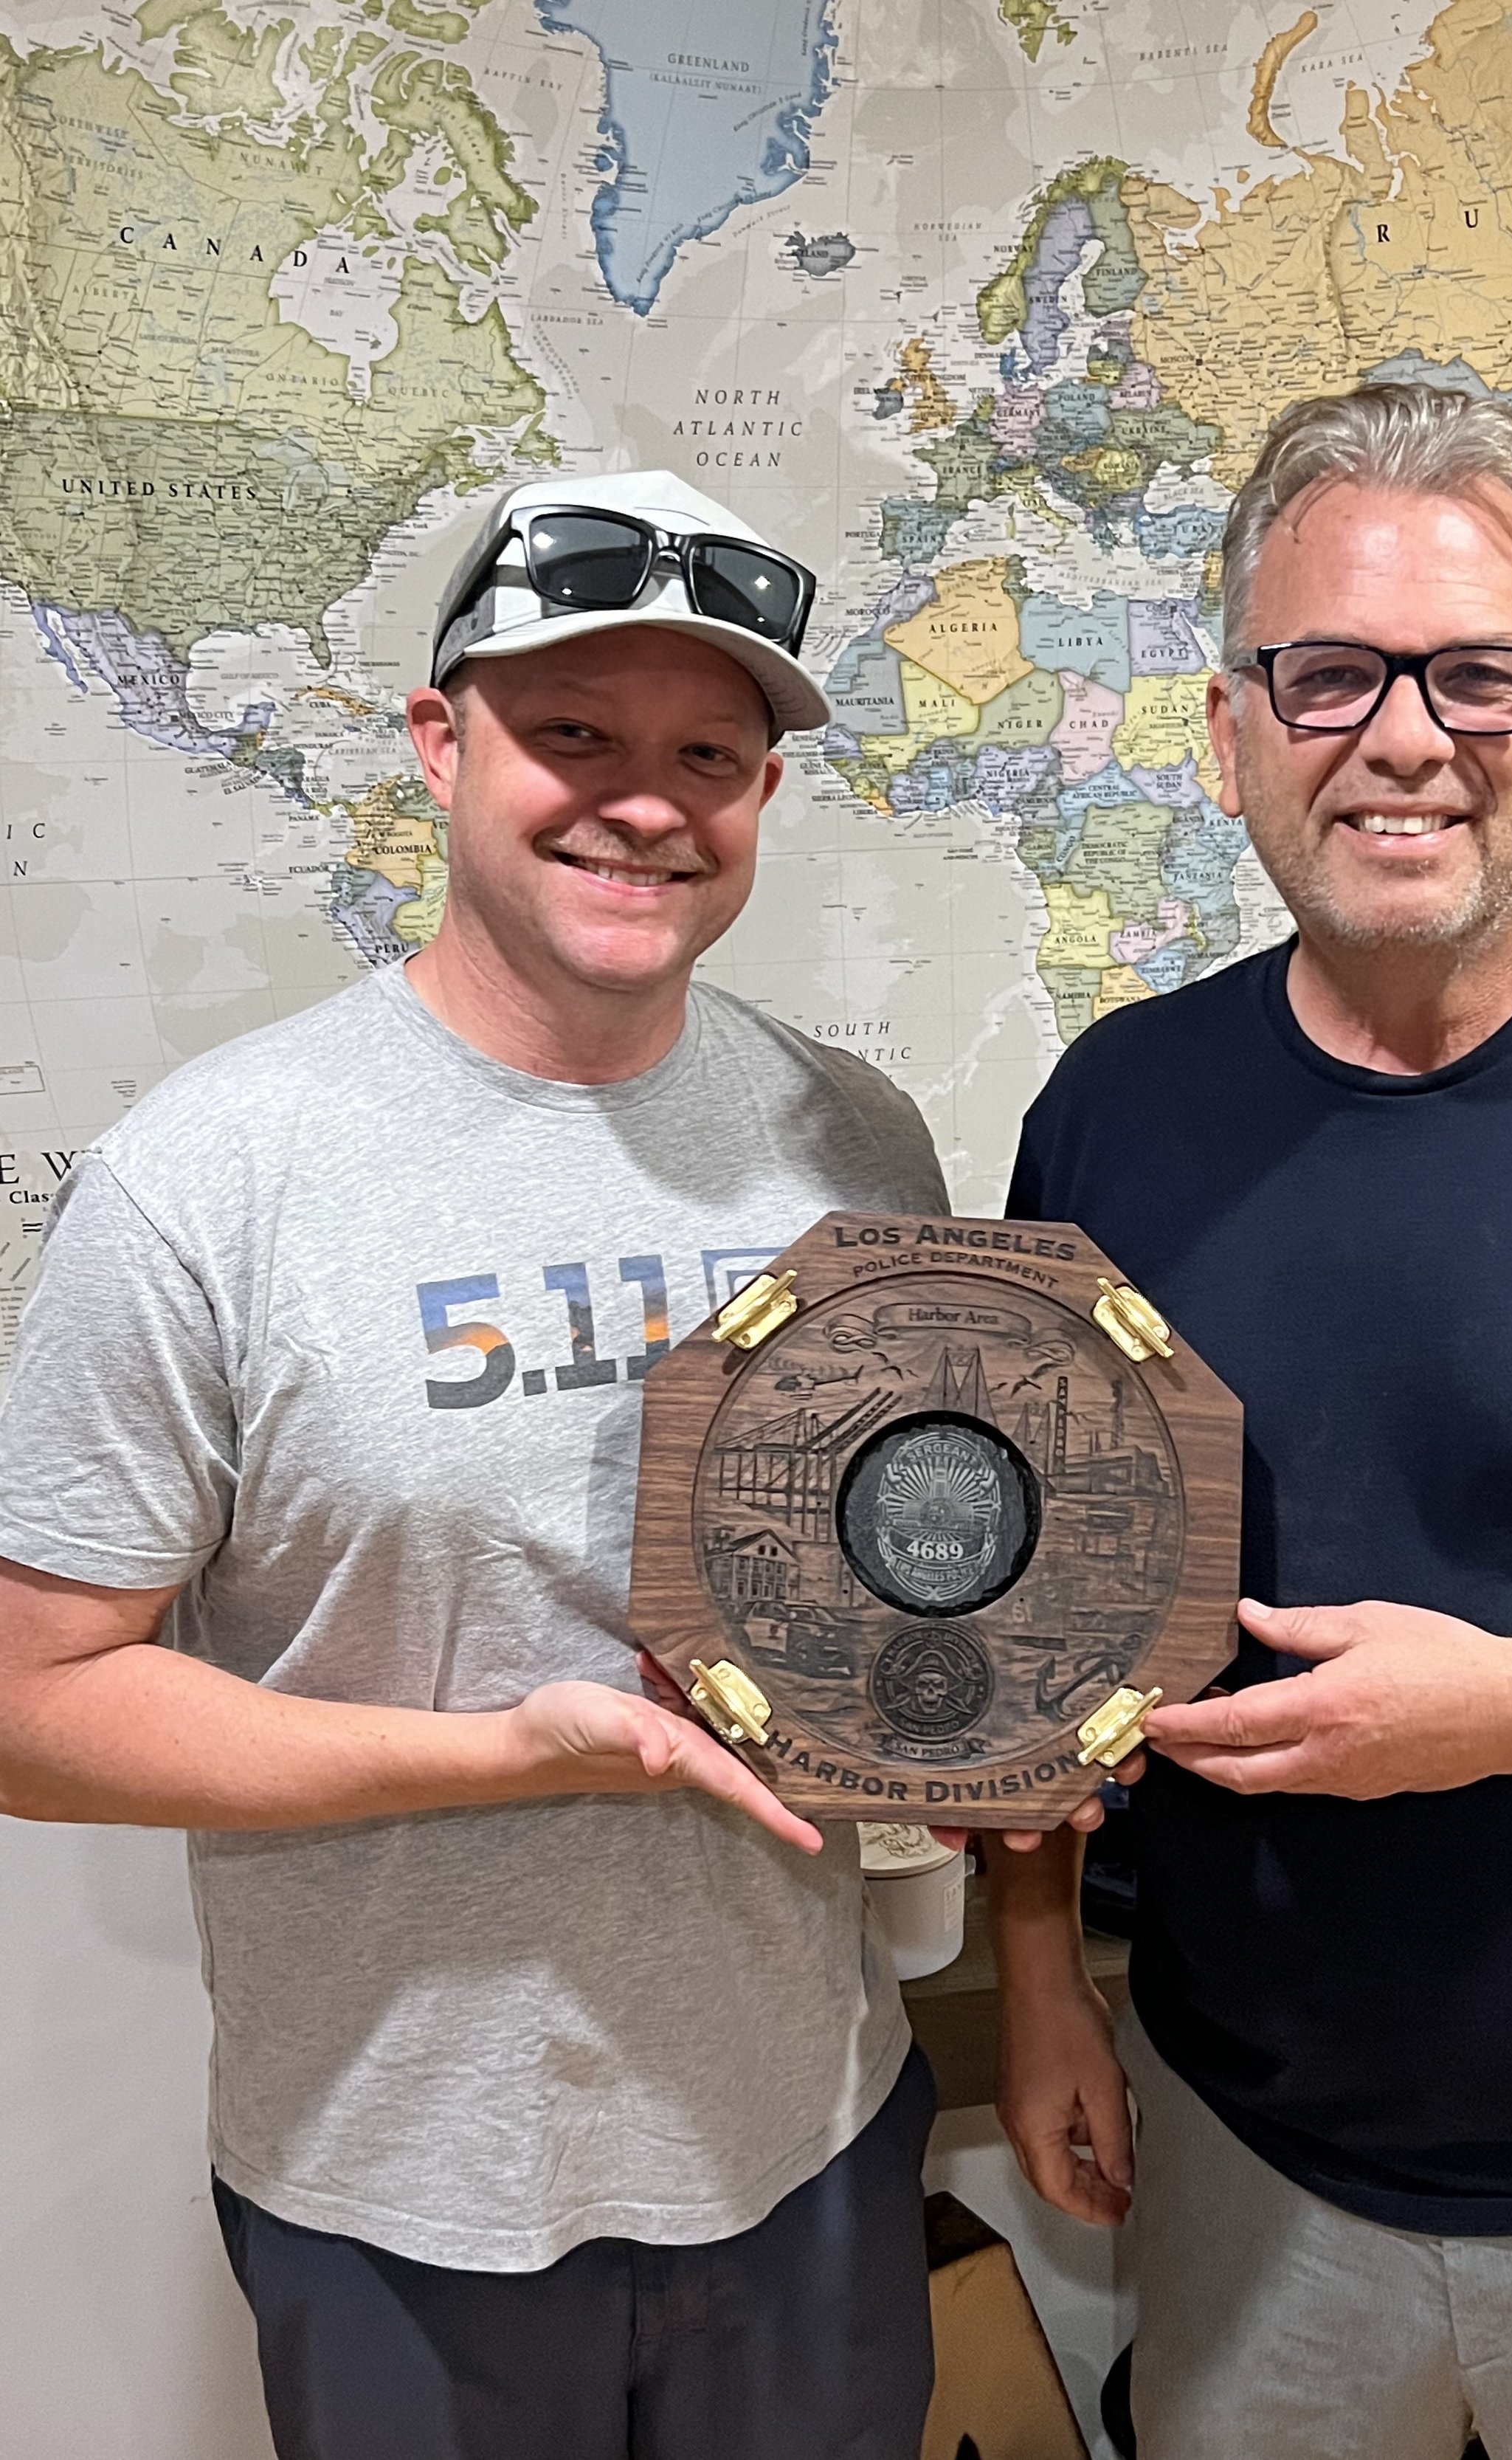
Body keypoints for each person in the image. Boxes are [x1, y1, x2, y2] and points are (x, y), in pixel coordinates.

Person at [0, 470, 952, 2460]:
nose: (644, 801)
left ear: (762, 798)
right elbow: (31, 1711)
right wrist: (514, 1749)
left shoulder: (854, 1140)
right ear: (441, 744)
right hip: (399, 2189)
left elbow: (903, 1576)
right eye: (572, 734)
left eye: (709, 752)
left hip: (812, 2131)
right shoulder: (209, 1182)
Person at [988, 384, 1512, 2459]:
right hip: (1244, 2156)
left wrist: (1504, 1708)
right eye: (1327, 674)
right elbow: (1021, 1619)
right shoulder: (1111, 1111)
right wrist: (1033, 1982)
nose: (1399, 736)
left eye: (1475, 673)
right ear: (1226, 732)